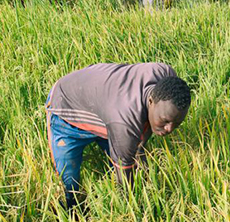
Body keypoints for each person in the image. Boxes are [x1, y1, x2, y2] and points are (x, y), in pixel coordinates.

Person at [45, 62, 191, 208]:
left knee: (126, 156)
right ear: (151, 101)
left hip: (103, 99)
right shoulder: (125, 122)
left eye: (177, 123)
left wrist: (140, 149)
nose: (170, 128)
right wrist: (130, 205)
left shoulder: (165, 73)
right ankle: (72, 206)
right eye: (165, 121)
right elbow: (124, 173)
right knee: (68, 177)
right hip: (65, 105)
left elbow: (143, 130)